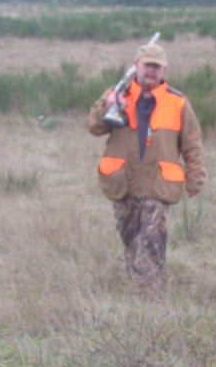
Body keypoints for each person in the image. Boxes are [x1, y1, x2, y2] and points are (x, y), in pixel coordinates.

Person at [87, 42, 206, 299]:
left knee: (152, 239)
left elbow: (192, 145)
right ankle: (137, 287)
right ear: (135, 66)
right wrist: (107, 104)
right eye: (147, 65)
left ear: (164, 70)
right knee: (130, 237)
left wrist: (195, 177)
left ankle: (149, 299)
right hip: (123, 182)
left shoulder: (178, 103)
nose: (151, 71)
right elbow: (93, 127)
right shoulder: (116, 95)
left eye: (157, 66)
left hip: (158, 184)